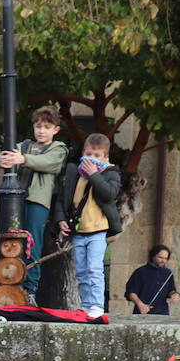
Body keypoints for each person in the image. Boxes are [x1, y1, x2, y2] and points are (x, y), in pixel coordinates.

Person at [0, 105, 67, 305]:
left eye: (46, 127)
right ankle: (10, 285)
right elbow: (5, 154)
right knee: (10, 244)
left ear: (55, 129)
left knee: (32, 244)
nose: (41, 130)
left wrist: (23, 159)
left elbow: (48, 163)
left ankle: (30, 290)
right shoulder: (25, 145)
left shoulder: (58, 148)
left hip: (37, 202)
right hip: (15, 200)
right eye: (38, 126)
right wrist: (2, 159)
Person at [53, 133, 122, 319]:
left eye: (97, 155)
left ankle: (97, 305)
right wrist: (60, 219)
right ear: (83, 152)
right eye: (89, 154)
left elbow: (109, 194)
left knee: (94, 269)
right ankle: (85, 305)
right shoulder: (75, 173)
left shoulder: (111, 173)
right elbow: (63, 199)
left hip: (98, 231)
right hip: (79, 231)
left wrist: (94, 175)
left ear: (105, 157)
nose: (91, 159)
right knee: (81, 271)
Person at [126, 244, 180, 315]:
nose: (163, 261)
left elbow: (171, 290)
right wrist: (140, 304)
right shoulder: (140, 272)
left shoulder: (168, 273)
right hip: (143, 312)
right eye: (160, 257)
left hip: (162, 312)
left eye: (165, 258)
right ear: (153, 256)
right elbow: (131, 292)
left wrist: (175, 294)